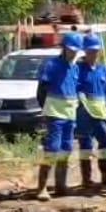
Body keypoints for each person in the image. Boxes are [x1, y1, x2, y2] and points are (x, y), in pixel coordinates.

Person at [35, 31, 82, 201]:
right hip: (55, 113)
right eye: (71, 50)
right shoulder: (52, 65)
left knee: (66, 149)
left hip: (70, 114)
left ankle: (61, 186)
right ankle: (42, 188)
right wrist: (45, 109)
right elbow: (41, 89)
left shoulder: (75, 68)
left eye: (76, 50)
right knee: (52, 149)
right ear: (64, 48)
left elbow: (74, 90)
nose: (73, 53)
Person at [75, 33, 106, 190]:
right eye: (90, 50)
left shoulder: (102, 69)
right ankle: (87, 179)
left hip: (100, 113)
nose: (93, 53)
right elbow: (76, 90)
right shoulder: (78, 68)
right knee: (85, 145)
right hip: (84, 113)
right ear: (84, 50)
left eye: (96, 50)